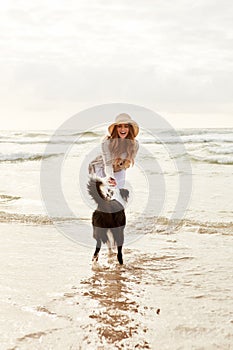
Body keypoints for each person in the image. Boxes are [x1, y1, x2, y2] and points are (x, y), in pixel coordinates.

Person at [89, 113, 139, 188]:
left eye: (126, 126)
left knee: (118, 194)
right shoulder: (106, 142)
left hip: (119, 169)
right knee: (101, 195)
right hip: (101, 167)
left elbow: (126, 164)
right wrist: (110, 177)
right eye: (119, 126)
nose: (123, 129)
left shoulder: (135, 144)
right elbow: (108, 164)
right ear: (116, 128)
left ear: (130, 129)